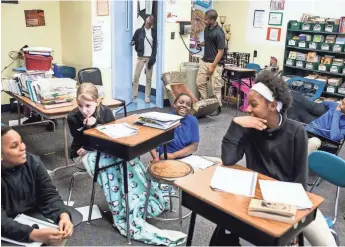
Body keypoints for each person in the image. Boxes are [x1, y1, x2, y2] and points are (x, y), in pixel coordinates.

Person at [215, 71, 336, 246]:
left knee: (327, 244)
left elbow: (300, 182)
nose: (247, 109)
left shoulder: (296, 132)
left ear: (272, 105)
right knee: (229, 231)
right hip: (258, 199)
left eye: (253, 105)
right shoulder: (250, 126)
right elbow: (228, 159)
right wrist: (235, 126)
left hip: (292, 200)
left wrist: (292, 223)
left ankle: (329, 232)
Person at [67, 83, 185, 245]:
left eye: (88, 105)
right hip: (83, 153)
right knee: (112, 164)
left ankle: (135, 197)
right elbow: (81, 142)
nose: (84, 110)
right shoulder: (72, 117)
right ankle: (121, 202)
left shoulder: (107, 112)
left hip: (106, 148)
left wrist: (96, 129)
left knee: (127, 160)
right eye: (80, 106)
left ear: (98, 102)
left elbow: (115, 136)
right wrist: (90, 128)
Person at [1, 126, 75, 245]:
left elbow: (48, 195)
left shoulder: (33, 162)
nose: (23, 147)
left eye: (21, 142)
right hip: (7, 226)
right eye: (14, 146)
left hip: (30, 216)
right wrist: (32, 234)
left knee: (58, 235)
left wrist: (63, 215)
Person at [150, 93, 200, 161]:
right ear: (174, 104)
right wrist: (156, 158)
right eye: (181, 102)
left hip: (187, 157)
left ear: (190, 108)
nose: (184, 105)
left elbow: (194, 146)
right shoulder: (165, 119)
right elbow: (150, 142)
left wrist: (174, 155)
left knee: (217, 163)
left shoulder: (193, 120)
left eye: (188, 104)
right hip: (167, 159)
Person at [196, 9, 225, 116]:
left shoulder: (219, 33)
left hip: (216, 63)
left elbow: (221, 51)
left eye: (206, 19)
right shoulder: (207, 29)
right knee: (200, 83)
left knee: (215, 87)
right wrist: (200, 44)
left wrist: (213, 66)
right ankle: (205, 103)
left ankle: (218, 107)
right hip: (205, 60)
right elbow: (208, 42)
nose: (204, 20)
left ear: (212, 20)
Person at [131, 15, 157, 103]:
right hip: (141, 57)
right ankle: (134, 94)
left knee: (148, 78)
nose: (151, 19)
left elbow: (155, 45)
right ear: (146, 19)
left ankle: (147, 96)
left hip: (150, 57)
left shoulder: (154, 32)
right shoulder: (139, 31)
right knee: (136, 76)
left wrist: (154, 56)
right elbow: (134, 40)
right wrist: (137, 48)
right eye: (149, 18)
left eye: (152, 19)